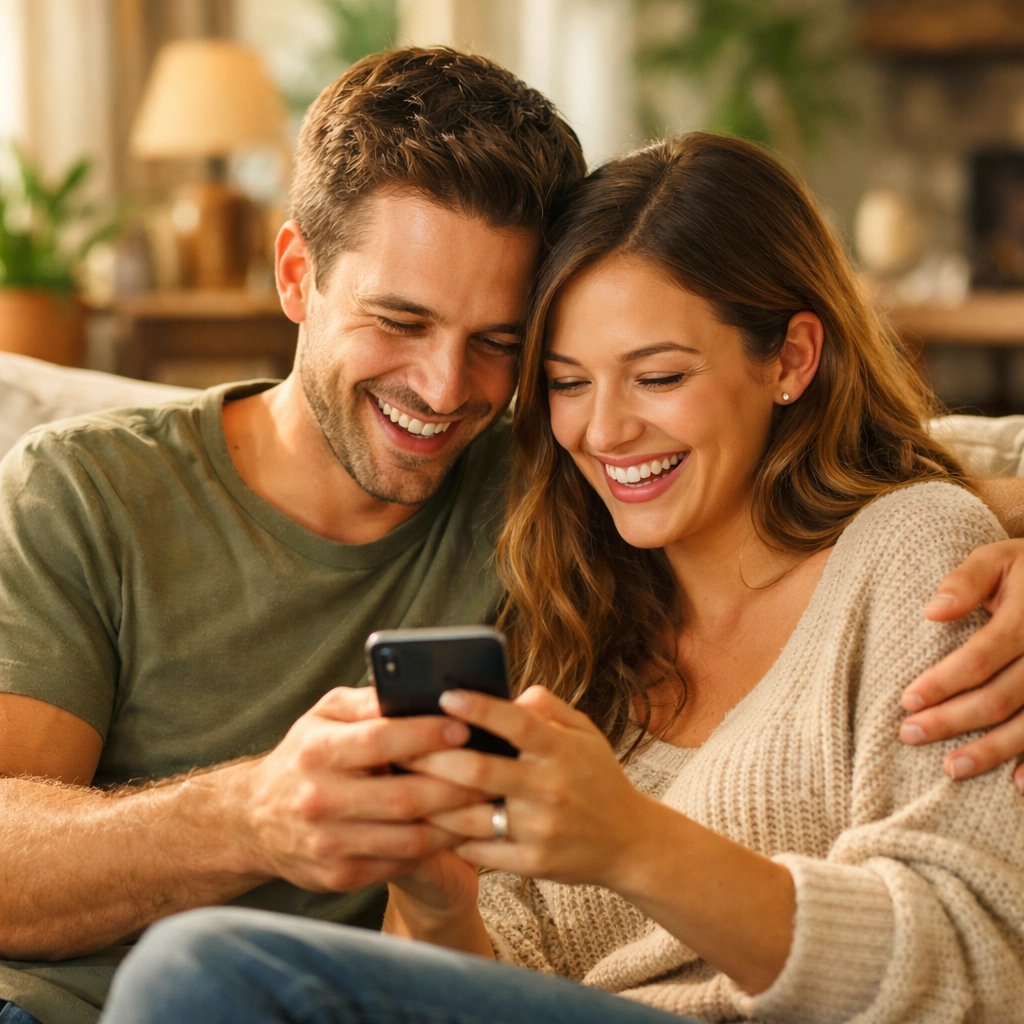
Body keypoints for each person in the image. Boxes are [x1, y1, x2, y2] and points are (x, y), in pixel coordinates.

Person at [102, 134, 1024, 1024]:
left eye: (657, 376)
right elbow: (479, 990)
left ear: (790, 360)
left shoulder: (914, 557)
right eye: (567, 384)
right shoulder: (575, 609)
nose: (605, 433)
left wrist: (634, 843)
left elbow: (977, 972)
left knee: (202, 968)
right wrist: (436, 899)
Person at [0, 47, 586, 1024]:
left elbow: (801, 454)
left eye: (498, 341)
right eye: (399, 320)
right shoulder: (87, 488)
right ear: (295, 274)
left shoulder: (554, 492)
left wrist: (941, 545)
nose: (446, 390)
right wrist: (252, 817)